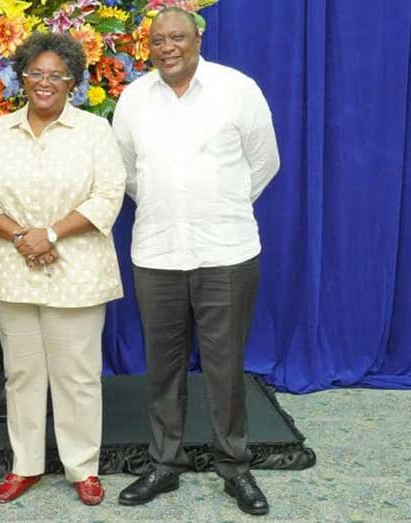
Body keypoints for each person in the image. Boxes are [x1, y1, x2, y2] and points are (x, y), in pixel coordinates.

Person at [112, 7, 280, 517]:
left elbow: (264, 163)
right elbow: (127, 174)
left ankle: (235, 465)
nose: (168, 47)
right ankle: (165, 463)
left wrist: (219, 206)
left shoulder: (238, 89)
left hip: (225, 250)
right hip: (158, 252)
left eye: (178, 37)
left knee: (225, 367)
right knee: (162, 369)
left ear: (197, 38)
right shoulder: (133, 99)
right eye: (158, 39)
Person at [0, 32, 126, 506]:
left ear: (73, 80)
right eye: (35, 72)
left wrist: (51, 234)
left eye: (56, 74)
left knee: (77, 375)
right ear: (21, 77)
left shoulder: (96, 131)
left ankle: (83, 468)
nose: (45, 82)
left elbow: (108, 193)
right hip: (11, 268)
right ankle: (26, 464)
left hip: (77, 269)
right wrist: (21, 236)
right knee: (22, 374)